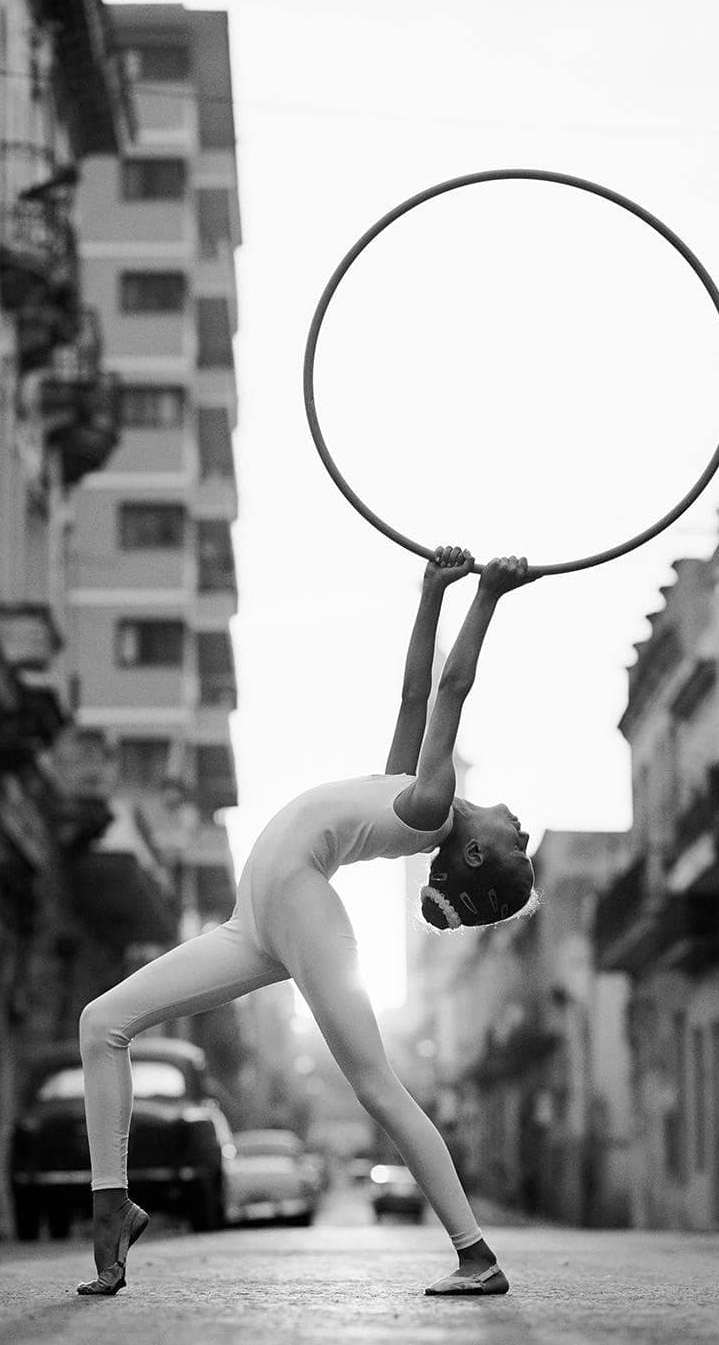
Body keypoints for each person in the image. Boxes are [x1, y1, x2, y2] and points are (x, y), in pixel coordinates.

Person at [78, 548, 539, 1297]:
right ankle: (111, 1209)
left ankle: (476, 1254)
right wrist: (431, 593)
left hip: (299, 902)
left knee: (377, 1086)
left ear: (477, 853)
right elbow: (415, 693)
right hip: (252, 924)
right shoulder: (408, 785)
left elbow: (453, 689)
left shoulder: (430, 803)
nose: (523, 828)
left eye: (519, 847)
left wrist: (488, 595)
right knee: (101, 1022)